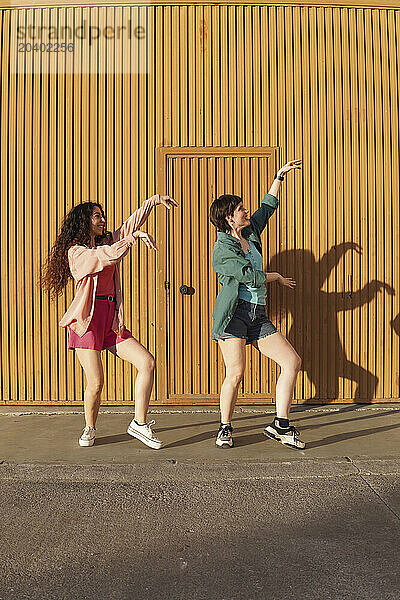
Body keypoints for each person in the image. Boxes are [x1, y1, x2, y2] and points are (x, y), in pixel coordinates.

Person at [40, 194, 177, 448]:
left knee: (147, 363)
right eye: (97, 216)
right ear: (84, 221)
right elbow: (106, 256)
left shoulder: (108, 240)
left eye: (102, 216)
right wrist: (131, 240)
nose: (102, 220)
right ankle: (89, 427)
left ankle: (139, 423)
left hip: (111, 320)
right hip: (87, 322)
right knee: (96, 382)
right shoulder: (77, 252)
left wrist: (153, 201)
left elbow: (128, 226)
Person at [209, 160, 305, 450]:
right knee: (236, 373)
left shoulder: (250, 233)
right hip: (234, 316)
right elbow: (247, 275)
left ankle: (280, 425)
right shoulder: (222, 249)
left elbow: (266, 208)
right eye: (240, 209)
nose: (246, 211)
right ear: (229, 218)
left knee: (292, 362)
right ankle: (224, 428)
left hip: (258, 315)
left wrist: (279, 176)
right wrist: (274, 276)